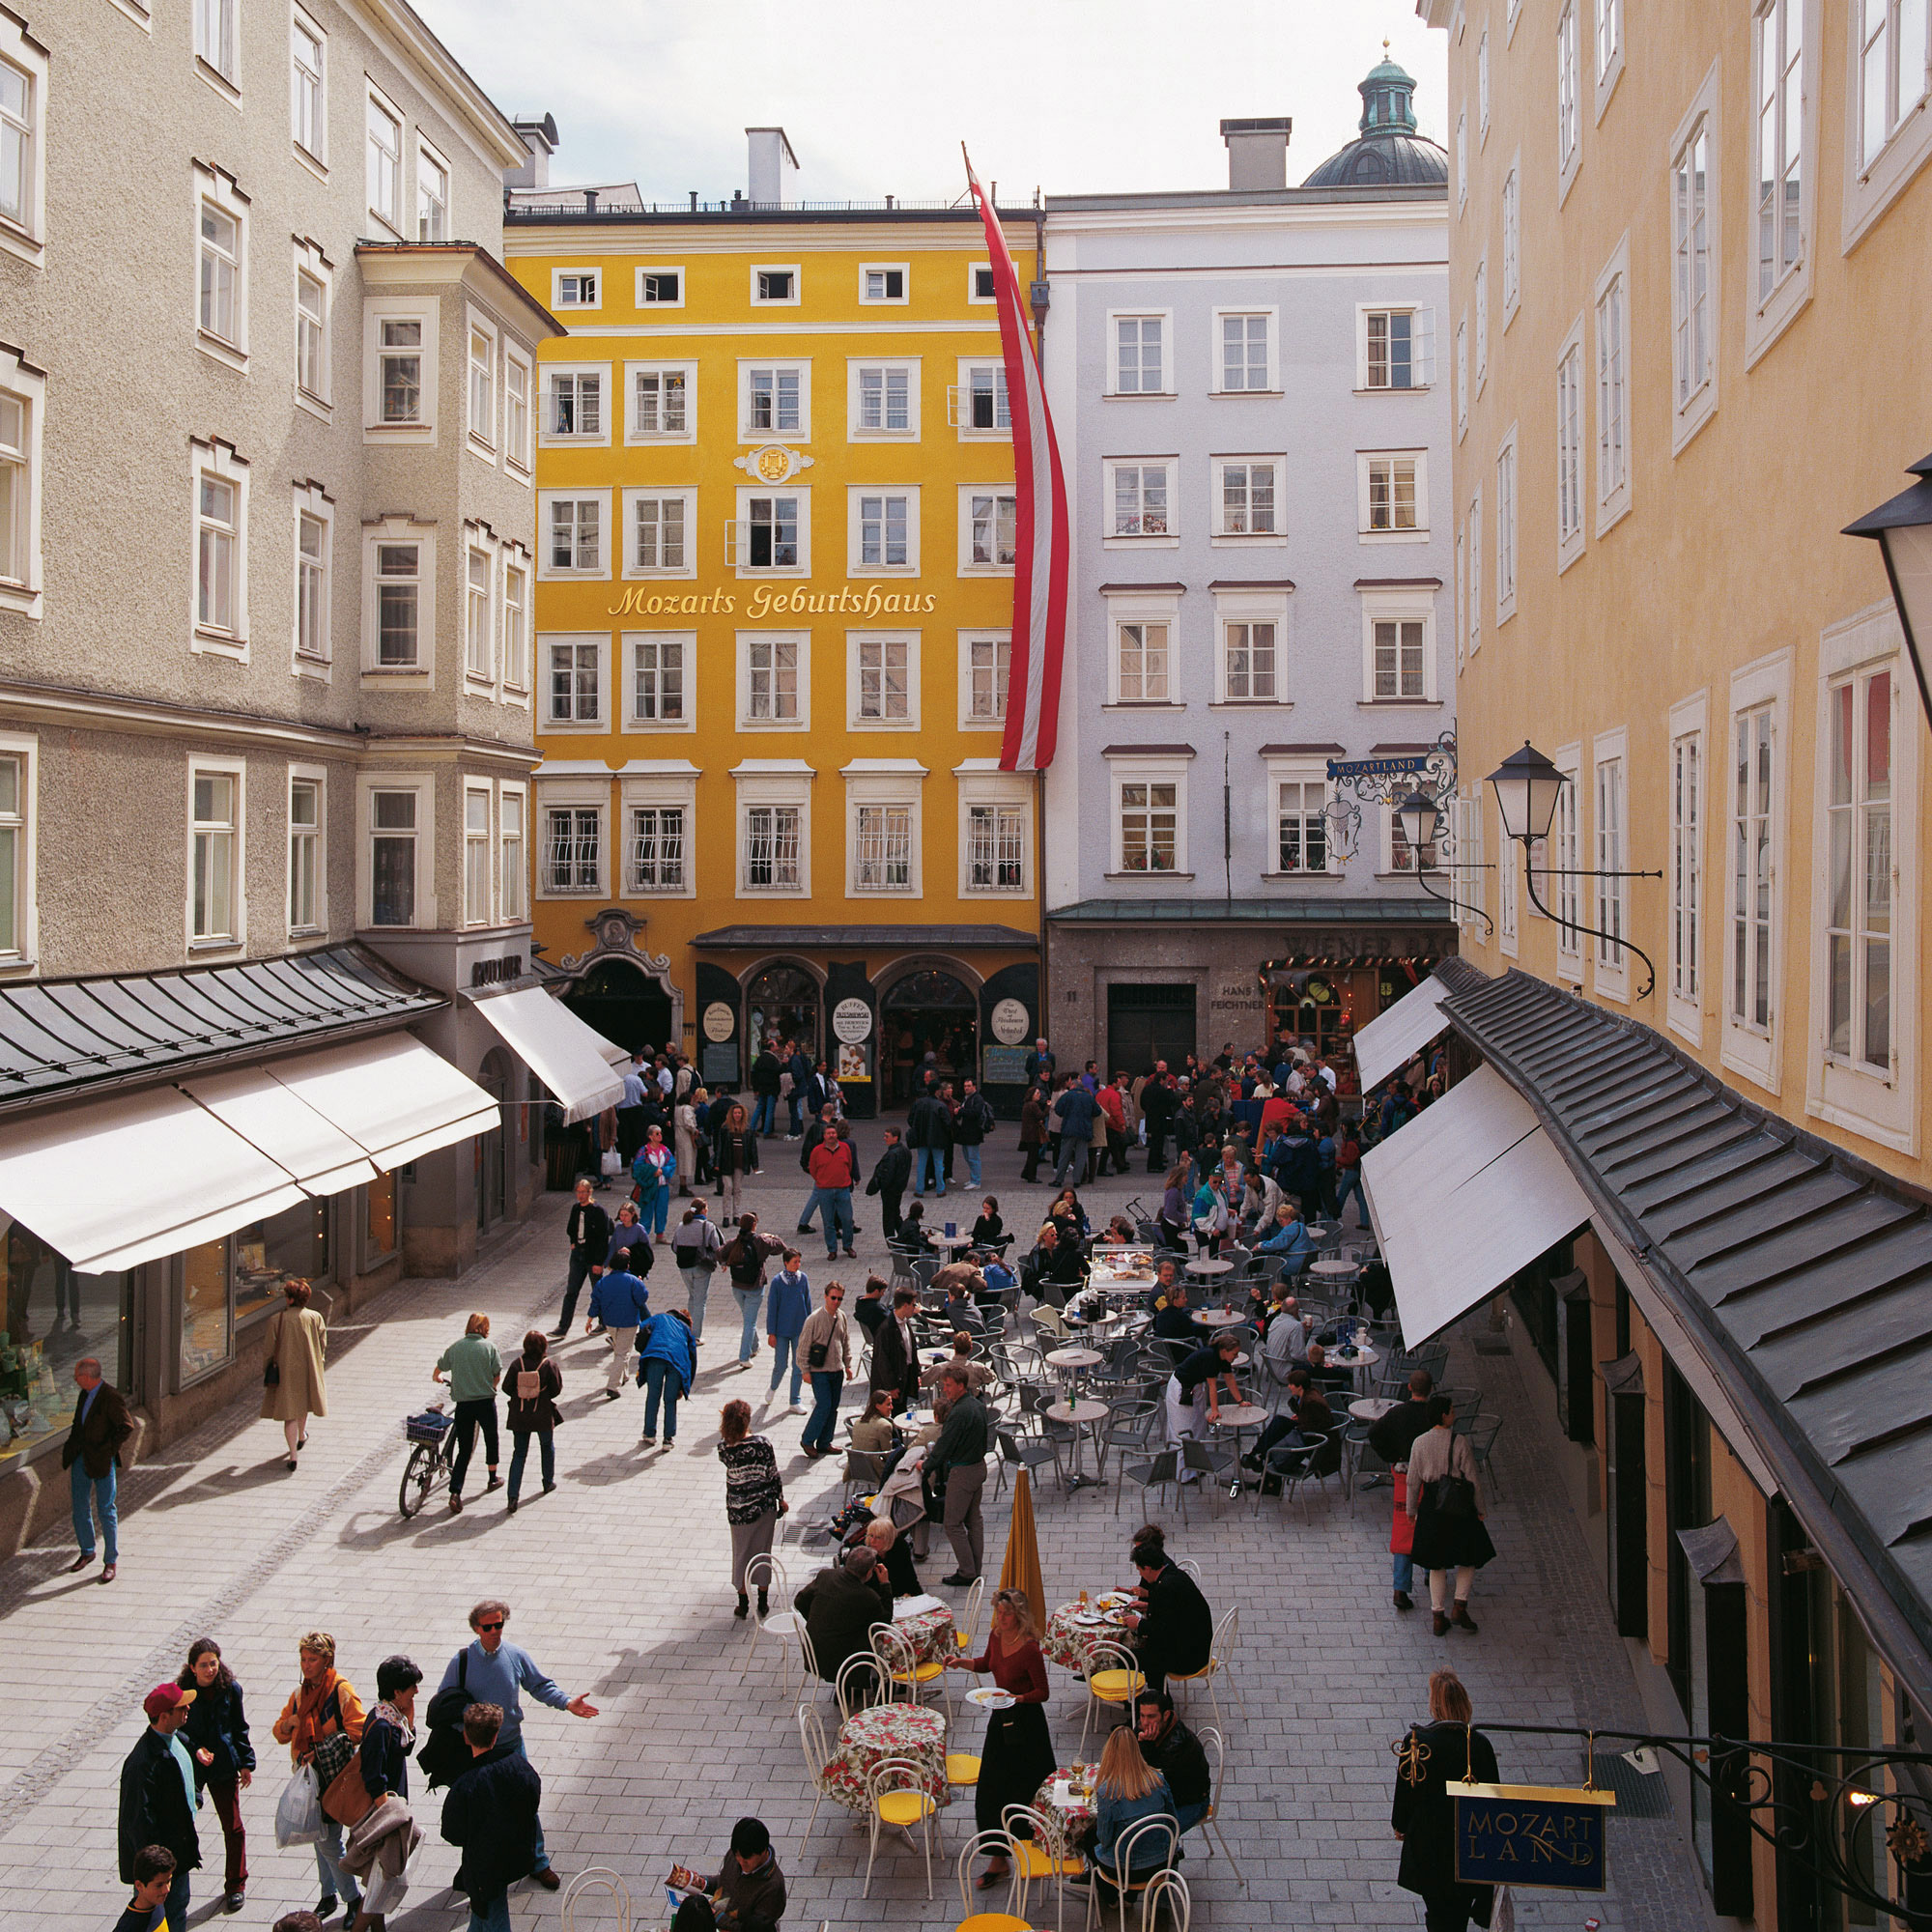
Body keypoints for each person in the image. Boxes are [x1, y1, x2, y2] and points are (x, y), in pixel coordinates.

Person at [436, 1601, 596, 1897]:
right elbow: (445, 1701)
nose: (495, 1631)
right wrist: (466, 1730)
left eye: (499, 1625)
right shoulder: (462, 1661)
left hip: (510, 1745)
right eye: (488, 1627)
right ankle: (473, 1867)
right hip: (477, 1750)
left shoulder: (514, 1655)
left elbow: (539, 1685)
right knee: (478, 1810)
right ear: (476, 1628)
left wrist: (566, 1703)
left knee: (524, 1802)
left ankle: (538, 1861)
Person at [944, 1586, 1056, 1886]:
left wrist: (1018, 1698)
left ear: (1019, 1615)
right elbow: (986, 1663)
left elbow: (1043, 1692)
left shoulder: (1030, 1649)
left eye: (1006, 1613)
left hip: (1028, 1726)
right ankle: (997, 1859)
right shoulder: (996, 1636)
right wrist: (961, 1662)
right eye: (998, 1612)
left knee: (1027, 1789)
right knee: (991, 1790)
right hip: (1001, 1721)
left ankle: (1033, 1851)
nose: (1001, 1617)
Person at [1392, 1668, 1501, 1932]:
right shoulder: (1478, 1745)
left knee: (1438, 1910)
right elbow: (1494, 1798)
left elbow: (1405, 1792)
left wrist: (1401, 1826)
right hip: (1468, 1844)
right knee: (1457, 1911)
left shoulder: (1417, 1742)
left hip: (1430, 1846)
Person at [270, 1632, 365, 1922]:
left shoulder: (340, 1690)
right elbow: (279, 1733)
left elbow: (358, 1729)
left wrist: (321, 1750)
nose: (306, 1665)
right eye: (303, 1659)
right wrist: (290, 1723)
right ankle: (328, 1894)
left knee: (328, 1842)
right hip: (309, 1779)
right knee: (318, 1836)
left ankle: (353, 1900)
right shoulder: (300, 1695)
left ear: (327, 1660)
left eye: (312, 1659)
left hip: (335, 1779)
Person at [440, 1701, 542, 1932]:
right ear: (496, 1736)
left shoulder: (465, 1784)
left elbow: (452, 1832)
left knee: (493, 1915)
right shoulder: (517, 1764)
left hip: (482, 1867)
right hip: (514, 1855)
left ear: (466, 1737)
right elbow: (533, 1797)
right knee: (482, 1914)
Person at [345, 1654, 423, 1932]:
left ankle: (378, 1929)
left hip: (388, 1810)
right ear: (397, 1692)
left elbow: (404, 1748)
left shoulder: (391, 1716)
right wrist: (390, 1817)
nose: (416, 1692)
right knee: (381, 1882)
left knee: (377, 1880)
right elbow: (374, 1775)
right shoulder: (380, 1725)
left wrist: (410, 1720)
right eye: (412, 1687)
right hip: (384, 1815)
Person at [1406, 1396, 1495, 1634]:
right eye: (1452, 1411)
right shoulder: (1459, 1441)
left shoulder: (1419, 1443)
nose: (1454, 1414)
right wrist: (1481, 1509)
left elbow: (1412, 1481)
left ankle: (1438, 1617)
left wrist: (1411, 1511)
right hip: (1458, 1505)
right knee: (1469, 1555)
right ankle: (1459, 1605)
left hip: (1431, 1506)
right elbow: (1473, 1480)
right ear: (1443, 1415)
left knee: (1436, 1562)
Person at [179, 1638, 253, 1914]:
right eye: (204, 1665)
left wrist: (246, 1763)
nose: (210, 1670)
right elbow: (177, 1730)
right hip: (194, 1766)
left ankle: (236, 1885)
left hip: (222, 1763)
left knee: (233, 1828)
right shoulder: (183, 1693)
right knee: (182, 1821)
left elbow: (239, 1727)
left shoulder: (230, 1689)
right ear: (192, 1668)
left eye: (213, 1663)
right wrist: (195, 1749)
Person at [119, 1685, 201, 1930]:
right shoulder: (141, 1763)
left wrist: (195, 1798)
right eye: (181, 1707)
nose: (188, 1709)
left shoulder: (177, 1740)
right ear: (164, 1716)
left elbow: (185, 1777)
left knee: (178, 1909)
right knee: (161, 1918)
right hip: (159, 1864)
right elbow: (138, 1823)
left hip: (177, 1853)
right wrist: (157, 1869)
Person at [1074, 1725, 1176, 1907]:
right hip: (1162, 1864)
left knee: (1089, 1838)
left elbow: (1104, 1839)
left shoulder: (1108, 1791)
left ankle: (1111, 1897)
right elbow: (1172, 1822)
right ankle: (1129, 1896)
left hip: (1125, 1871)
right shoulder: (1158, 1779)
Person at [63, 1353, 131, 1582]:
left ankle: (110, 1560)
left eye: (77, 1376)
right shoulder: (84, 1394)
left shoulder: (111, 1397)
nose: (75, 1379)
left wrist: (108, 1450)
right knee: (79, 1507)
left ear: (87, 1377)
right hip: (81, 1457)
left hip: (102, 1461)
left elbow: (126, 1426)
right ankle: (87, 1551)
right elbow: (79, 1424)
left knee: (106, 1509)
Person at [1371, 1370, 1437, 1607]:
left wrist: (1393, 1457)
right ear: (1431, 1389)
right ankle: (1431, 1573)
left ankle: (1400, 1589)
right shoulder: (1434, 1415)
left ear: (1409, 1387)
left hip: (1404, 1476)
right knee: (1431, 1526)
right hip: (1431, 1478)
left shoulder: (1397, 1413)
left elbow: (1374, 1434)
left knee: (1403, 1529)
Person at [1119, 1525, 1211, 1692]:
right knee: (1146, 1649)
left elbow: (1162, 1630)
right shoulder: (1173, 1575)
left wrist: (1138, 1623)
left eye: (1139, 1569)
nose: (1140, 1574)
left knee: (1126, 1657)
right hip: (1197, 1646)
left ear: (1147, 1568)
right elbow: (1174, 1612)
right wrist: (1148, 1605)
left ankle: (1146, 1701)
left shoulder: (1164, 1588)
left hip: (1189, 1657)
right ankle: (1157, 1694)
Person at [719, 1398, 786, 1619]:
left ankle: (743, 1603)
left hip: (738, 1510)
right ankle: (763, 1602)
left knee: (741, 1554)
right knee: (763, 1552)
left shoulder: (724, 1448)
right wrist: (781, 1500)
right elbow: (773, 1475)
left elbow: (729, 1443)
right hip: (764, 1508)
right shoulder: (762, 1444)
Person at [794, 1545, 894, 1688]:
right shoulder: (868, 1596)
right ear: (869, 1572)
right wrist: (885, 1584)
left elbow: (799, 1602)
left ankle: (847, 1691)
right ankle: (875, 1685)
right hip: (844, 1666)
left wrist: (818, 1619)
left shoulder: (825, 1576)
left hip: (813, 1654)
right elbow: (884, 1623)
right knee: (873, 1639)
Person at [432, 1314, 502, 1513]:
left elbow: (440, 1367)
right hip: (485, 1403)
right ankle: (492, 1478)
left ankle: (455, 1492)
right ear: (485, 1328)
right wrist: (491, 1387)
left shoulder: (456, 1347)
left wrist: (437, 1376)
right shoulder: (489, 1348)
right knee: (491, 1438)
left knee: (464, 1449)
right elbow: (497, 1374)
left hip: (464, 1405)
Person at [926, 1363, 989, 1586]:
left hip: (963, 1472)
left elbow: (944, 1446)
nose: (944, 1389)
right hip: (979, 1467)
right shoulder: (978, 1405)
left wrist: (926, 1466)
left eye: (948, 1385)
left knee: (952, 1523)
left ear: (961, 1385)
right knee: (974, 1520)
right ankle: (975, 1568)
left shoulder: (958, 1413)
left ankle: (967, 1572)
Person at [257, 1278, 329, 1472]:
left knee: (289, 1414)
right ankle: (301, 1436)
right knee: (303, 1405)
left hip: (285, 1371)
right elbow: (322, 1343)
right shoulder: (315, 1317)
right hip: (308, 1369)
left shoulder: (277, 1320)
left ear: (289, 1299)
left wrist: (267, 1369)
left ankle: (293, 1456)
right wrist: (319, 1361)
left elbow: (269, 1349)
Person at [498, 1330, 562, 1515]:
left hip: (520, 1416)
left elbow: (506, 1387)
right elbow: (556, 1389)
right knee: (546, 1446)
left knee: (519, 1454)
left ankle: (512, 1496)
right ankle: (547, 1481)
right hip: (542, 1414)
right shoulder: (549, 1365)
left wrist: (521, 1393)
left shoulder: (516, 1364)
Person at [1134, 1688, 1210, 1833]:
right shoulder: (1146, 1728)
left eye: (1151, 1716)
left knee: (1155, 1835)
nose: (1144, 1722)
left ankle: (1167, 1849)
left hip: (1190, 1802)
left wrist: (1146, 1745)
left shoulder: (1178, 1744)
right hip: (1167, 1795)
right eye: (1142, 1716)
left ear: (1166, 1715)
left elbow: (1156, 1779)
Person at [720, 1212, 784, 1373]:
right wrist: (771, 1236)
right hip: (754, 1287)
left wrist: (724, 1263)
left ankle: (754, 1346)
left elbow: (719, 1252)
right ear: (754, 1225)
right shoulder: (760, 1241)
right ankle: (744, 1357)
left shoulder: (735, 1242)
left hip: (737, 1287)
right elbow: (781, 1246)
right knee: (750, 1322)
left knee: (748, 1318)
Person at [1165, 1329, 1243, 1462]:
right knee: (1183, 1430)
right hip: (1181, 1388)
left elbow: (1229, 1379)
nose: (1236, 1357)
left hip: (1195, 1387)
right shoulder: (1210, 1357)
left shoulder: (1223, 1358)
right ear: (1224, 1350)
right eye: (1234, 1354)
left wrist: (1240, 1401)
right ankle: (1181, 1469)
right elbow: (1212, 1386)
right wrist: (1214, 1410)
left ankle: (1196, 1464)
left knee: (1198, 1427)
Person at [797, 1280, 853, 1458]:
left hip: (837, 1370)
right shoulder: (814, 1319)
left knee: (833, 1407)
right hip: (819, 1371)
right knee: (824, 1405)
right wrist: (805, 1370)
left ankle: (824, 1442)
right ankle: (807, 1440)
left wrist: (848, 1365)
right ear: (825, 1297)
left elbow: (845, 1342)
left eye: (839, 1299)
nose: (836, 1302)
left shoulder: (842, 1316)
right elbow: (803, 1347)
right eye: (833, 1298)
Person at [585, 1253, 649, 1400]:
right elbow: (642, 1299)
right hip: (628, 1322)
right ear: (627, 1265)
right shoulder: (633, 1281)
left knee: (620, 1349)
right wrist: (641, 1284)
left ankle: (624, 1375)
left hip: (611, 1322)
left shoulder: (603, 1282)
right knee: (622, 1352)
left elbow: (595, 1301)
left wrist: (590, 1319)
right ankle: (613, 1386)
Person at [707, 1816, 786, 1932]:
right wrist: (702, 1882)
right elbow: (725, 1881)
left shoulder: (773, 1887)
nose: (741, 1861)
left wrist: (717, 1917)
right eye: (737, 1855)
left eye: (747, 1858)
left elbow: (754, 1929)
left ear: (763, 1851)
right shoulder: (735, 1854)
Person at [554, 1179, 611, 1337]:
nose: (580, 1195)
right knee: (571, 1291)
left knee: (598, 1291)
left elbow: (603, 1238)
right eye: (578, 1192)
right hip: (578, 1254)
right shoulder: (575, 1208)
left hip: (593, 1256)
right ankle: (563, 1326)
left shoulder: (598, 1211)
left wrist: (599, 1262)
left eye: (583, 1192)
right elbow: (571, 1228)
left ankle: (604, 1322)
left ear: (589, 1193)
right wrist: (573, 1243)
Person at [638, 1306, 697, 1448]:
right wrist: (686, 1384)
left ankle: (649, 1434)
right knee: (670, 1400)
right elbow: (692, 1356)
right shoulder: (685, 1328)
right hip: (677, 1362)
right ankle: (668, 1439)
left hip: (655, 1357)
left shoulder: (658, 1318)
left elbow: (642, 1327)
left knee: (653, 1396)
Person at [762, 1249, 811, 1414]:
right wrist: (771, 1333)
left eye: (799, 1261)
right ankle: (773, 1387)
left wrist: (810, 1328)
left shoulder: (803, 1279)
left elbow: (808, 1303)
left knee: (798, 1366)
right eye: (794, 1262)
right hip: (782, 1331)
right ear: (786, 1263)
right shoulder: (777, 1282)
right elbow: (772, 1308)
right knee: (780, 1364)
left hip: (799, 1330)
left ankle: (794, 1400)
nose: (798, 1265)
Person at [670, 1199, 724, 1345]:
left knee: (692, 1297)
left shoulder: (681, 1225)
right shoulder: (708, 1226)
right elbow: (717, 1247)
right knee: (700, 1301)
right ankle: (695, 1336)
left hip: (684, 1267)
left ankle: (688, 1330)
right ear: (703, 1210)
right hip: (701, 1266)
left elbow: (675, 1247)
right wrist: (723, 1263)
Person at [806, 1119, 860, 1261]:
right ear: (824, 1136)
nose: (831, 1136)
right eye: (828, 1133)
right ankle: (832, 1249)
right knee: (828, 1222)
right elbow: (813, 1169)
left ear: (837, 1134)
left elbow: (849, 1165)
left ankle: (848, 1246)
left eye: (833, 1133)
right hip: (825, 1191)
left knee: (847, 1219)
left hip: (843, 1189)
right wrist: (822, 1180)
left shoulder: (845, 1148)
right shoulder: (817, 1151)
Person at [867, 1284, 920, 1415]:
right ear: (905, 1305)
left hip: (904, 1376)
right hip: (892, 1384)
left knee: (901, 1413)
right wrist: (891, 1386)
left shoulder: (905, 1322)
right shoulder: (886, 1329)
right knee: (894, 1416)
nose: (915, 1308)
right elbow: (882, 1361)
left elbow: (911, 1351)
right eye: (913, 1305)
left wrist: (916, 1374)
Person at [712, 1101, 761, 1219]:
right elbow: (720, 1147)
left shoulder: (747, 1129)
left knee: (737, 1189)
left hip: (740, 1163)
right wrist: (717, 1163)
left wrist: (755, 1165)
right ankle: (726, 1215)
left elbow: (752, 1148)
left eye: (739, 1113)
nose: (737, 1115)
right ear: (731, 1114)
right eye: (735, 1113)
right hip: (726, 1162)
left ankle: (736, 1215)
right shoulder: (725, 1128)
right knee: (728, 1187)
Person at [631, 1123, 678, 1242]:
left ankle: (660, 1235)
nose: (660, 1135)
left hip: (663, 1186)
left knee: (662, 1211)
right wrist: (652, 1171)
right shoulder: (644, 1151)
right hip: (649, 1187)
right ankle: (643, 1235)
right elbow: (637, 1167)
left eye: (660, 1133)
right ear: (650, 1136)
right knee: (646, 1211)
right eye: (657, 1134)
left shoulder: (665, 1150)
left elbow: (672, 1164)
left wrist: (663, 1171)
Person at [865, 1126, 911, 1244]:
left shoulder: (892, 1154)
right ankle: (905, 1237)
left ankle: (892, 1242)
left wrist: (882, 1186)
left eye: (887, 1136)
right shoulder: (905, 1151)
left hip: (890, 1190)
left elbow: (887, 1174)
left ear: (895, 1138)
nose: (884, 1138)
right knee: (895, 1215)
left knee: (888, 1218)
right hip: (899, 1188)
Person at [906, 1082, 952, 1197]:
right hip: (937, 1139)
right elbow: (947, 1123)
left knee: (921, 1164)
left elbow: (910, 1119)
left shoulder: (918, 1103)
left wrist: (917, 1129)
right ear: (937, 1091)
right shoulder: (940, 1105)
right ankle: (940, 1189)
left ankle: (919, 1189)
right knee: (938, 1164)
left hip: (921, 1138)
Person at [115, 1845, 177, 1932]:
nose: (166, 1890)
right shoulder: (128, 1928)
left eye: (168, 1881)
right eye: (159, 1885)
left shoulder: (157, 1903)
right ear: (139, 1886)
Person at [951, 1077, 994, 1188]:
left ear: (974, 1087)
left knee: (973, 1157)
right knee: (968, 1156)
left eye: (969, 1086)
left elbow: (976, 1113)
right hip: (966, 1133)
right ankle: (973, 1179)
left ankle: (976, 1181)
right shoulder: (967, 1098)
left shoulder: (977, 1098)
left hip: (974, 1133)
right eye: (965, 1086)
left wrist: (961, 1111)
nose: (966, 1088)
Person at [604, 1199, 654, 1280]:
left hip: (635, 1265)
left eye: (626, 1215)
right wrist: (606, 1263)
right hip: (620, 1266)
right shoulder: (618, 1228)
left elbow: (646, 1250)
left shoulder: (639, 1229)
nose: (623, 1218)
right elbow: (612, 1246)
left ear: (632, 1214)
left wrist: (630, 1250)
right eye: (621, 1215)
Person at [847, 1383, 898, 1453]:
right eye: (888, 1404)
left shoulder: (858, 1421)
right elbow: (887, 1453)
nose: (892, 1407)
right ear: (878, 1406)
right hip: (874, 1459)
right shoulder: (885, 1425)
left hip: (855, 1459)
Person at [748, 1043, 782, 1139]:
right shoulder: (773, 1059)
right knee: (769, 1110)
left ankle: (752, 1128)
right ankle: (767, 1131)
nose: (777, 1048)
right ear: (771, 1048)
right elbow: (778, 1071)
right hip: (772, 1087)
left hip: (762, 1088)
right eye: (776, 1046)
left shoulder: (760, 1058)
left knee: (759, 1108)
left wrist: (756, 1088)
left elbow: (754, 1073)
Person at [1017, 1086, 1046, 1184]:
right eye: (1037, 1093)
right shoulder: (1033, 1105)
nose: (1039, 1095)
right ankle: (1031, 1176)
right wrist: (1048, 1107)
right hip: (1033, 1134)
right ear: (1032, 1095)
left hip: (1028, 1133)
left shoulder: (1027, 1104)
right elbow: (1041, 1115)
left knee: (1031, 1155)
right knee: (1033, 1156)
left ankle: (1026, 1172)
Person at [851, 1274, 890, 1342]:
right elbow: (891, 1318)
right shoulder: (876, 1308)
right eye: (883, 1291)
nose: (883, 1294)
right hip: (883, 1339)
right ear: (876, 1291)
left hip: (873, 1335)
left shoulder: (859, 1303)